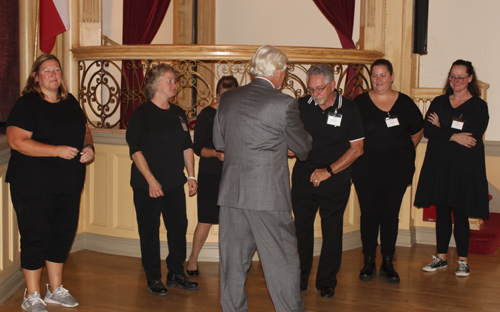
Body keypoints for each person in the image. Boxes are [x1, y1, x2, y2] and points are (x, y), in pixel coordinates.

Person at [213, 45, 312, 312]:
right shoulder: (283, 102)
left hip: (232, 194)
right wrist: (290, 145)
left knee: (233, 264)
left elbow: (219, 142)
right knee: (282, 262)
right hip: (268, 197)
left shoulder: (228, 99)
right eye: (285, 71)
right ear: (278, 72)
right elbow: (302, 147)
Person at [6, 54, 94, 312]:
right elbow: (16, 141)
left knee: (61, 236)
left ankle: (55, 290)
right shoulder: (27, 104)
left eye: (57, 69)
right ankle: (31, 294)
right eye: (47, 70)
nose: (54, 74)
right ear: (35, 77)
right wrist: (55, 150)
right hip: (32, 185)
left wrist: (89, 146)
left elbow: (84, 129)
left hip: (68, 184)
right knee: (36, 237)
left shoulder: (70, 102)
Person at [291, 64, 364, 299]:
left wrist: (329, 171)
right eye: (311, 89)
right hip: (303, 177)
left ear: (333, 85)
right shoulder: (302, 106)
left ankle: (326, 282)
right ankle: (299, 280)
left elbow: (357, 149)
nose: (314, 94)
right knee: (301, 230)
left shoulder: (350, 110)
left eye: (319, 89)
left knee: (332, 231)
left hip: (334, 179)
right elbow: (291, 138)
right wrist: (290, 149)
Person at [126, 64, 199, 296]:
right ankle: (153, 278)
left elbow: (187, 146)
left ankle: (176, 273)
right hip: (147, 185)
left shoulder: (178, 113)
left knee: (178, 228)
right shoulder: (141, 114)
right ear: (157, 84)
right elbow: (135, 150)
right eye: (170, 80)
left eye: (174, 81)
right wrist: (151, 180)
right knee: (149, 231)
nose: (174, 84)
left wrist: (191, 175)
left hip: (174, 183)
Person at [415, 60, 489, 277]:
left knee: (461, 213)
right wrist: (454, 135)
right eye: (452, 77)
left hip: (465, 169)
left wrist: (443, 129)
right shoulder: (438, 102)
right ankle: (441, 257)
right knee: (442, 213)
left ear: (470, 78)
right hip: (440, 166)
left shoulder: (478, 106)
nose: (456, 81)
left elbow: (472, 137)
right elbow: (428, 130)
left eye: (461, 77)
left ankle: (463, 261)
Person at [352, 59, 424, 283]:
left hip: (397, 171)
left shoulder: (405, 103)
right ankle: (369, 261)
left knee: (391, 216)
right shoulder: (360, 103)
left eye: (383, 75)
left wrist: (401, 151)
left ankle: (388, 262)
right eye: (374, 75)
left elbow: (417, 131)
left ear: (392, 77)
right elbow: (352, 134)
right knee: (369, 215)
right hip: (366, 171)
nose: (378, 80)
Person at [186, 76, 239, 276]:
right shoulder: (206, 115)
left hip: (232, 173)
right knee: (206, 220)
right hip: (210, 174)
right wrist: (216, 153)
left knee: (232, 221)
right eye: (223, 96)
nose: (226, 100)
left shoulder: (236, 113)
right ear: (217, 94)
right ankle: (192, 259)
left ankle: (231, 264)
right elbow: (198, 148)